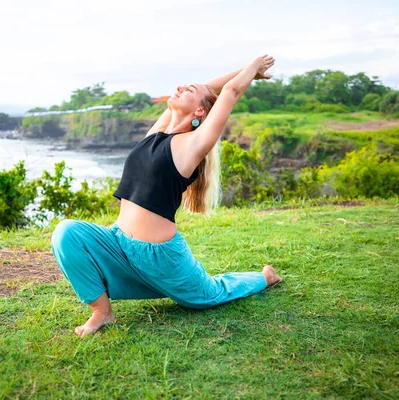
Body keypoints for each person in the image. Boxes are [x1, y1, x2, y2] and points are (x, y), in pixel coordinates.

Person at [51, 55, 282, 337]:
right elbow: (208, 88)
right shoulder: (155, 135)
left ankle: (264, 277)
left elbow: (229, 92)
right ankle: (102, 312)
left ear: (199, 112)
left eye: (189, 90)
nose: (181, 87)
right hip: (119, 243)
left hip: (162, 259)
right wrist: (246, 72)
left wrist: (251, 68)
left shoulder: (192, 146)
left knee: (210, 293)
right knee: (67, 233)